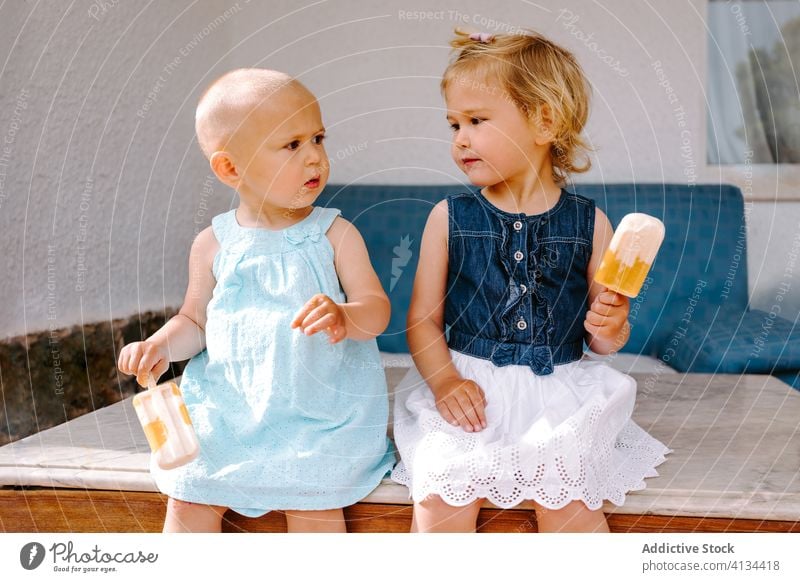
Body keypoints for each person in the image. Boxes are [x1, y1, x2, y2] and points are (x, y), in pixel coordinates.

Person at [391, 30, 671, 533]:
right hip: (471, 388)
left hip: (559, 395)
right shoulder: (447, 218)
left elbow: (604, 342)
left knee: (570, 506)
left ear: (544, 121)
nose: (460, 137)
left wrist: (613, 321)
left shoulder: (592, 223)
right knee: (440, 499)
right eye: (454, 123)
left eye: (477, 120)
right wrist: (445, 381)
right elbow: (422, 321)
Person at [118, 68, 395, 533]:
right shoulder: (212, 244)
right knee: (189, 493)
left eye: (318, 139)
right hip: (231, 410)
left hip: (317, 417)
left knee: (315, 501)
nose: (315, 158)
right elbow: (195, 320)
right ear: (231, 169)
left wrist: (346, 315)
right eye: (292, 145)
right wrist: (163, 345)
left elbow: (378, 310)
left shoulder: (334, 233)